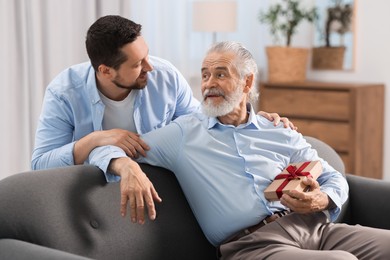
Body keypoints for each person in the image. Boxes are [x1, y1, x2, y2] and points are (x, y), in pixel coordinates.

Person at [100, 41, 390, 259]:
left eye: (220, 74)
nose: (209, 83)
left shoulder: (278, 130)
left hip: (316, 228)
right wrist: (124, 166)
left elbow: (333, 177)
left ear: (247, 82)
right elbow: (111, 147)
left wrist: (321, 199)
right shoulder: (182, 134)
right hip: (254, 245)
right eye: (204, 75)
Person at [31, 15, 293, 174]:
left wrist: (250, 118)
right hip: (94, 188)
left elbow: (204, 125)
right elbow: (41, 165)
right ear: (106, 71)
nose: (150, 67)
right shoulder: (64, 92)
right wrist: (99, 139)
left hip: (157, 182)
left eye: (146, 55)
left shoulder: (165, 76)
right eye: (137, 64)